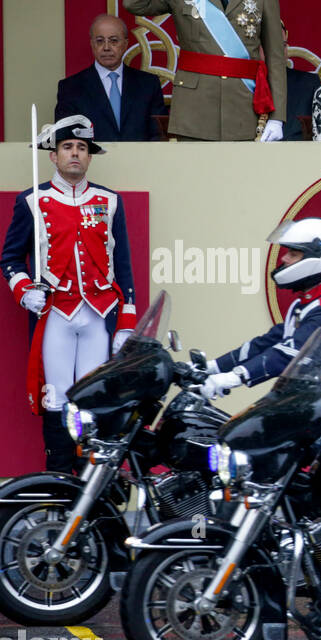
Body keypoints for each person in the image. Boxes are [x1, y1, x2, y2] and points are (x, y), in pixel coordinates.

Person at [1, 117, 136, 472]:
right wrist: (24, 289)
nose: (74, 154)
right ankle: (59, 479)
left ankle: (94, 481)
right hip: (55, 313)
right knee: (57, 396)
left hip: (98, 313)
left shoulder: (109, 201)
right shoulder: (33, 200)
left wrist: (126, 323)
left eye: (81, 148)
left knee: (94, 398)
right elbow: (11, 258)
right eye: (67, 147)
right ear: (53, 155)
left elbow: (123, 265)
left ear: (90, 156)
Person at [199, 218, 321, 402]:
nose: (284, 258)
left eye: (293, 254)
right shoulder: (306, 305)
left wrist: (234, 377)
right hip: (311, 406)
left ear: (318, 259)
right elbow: (265, 344)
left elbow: (288, 353)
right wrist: (211, 367)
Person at [122, 0, 286, 142]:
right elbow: (133, 4)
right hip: (194, 111)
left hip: (244, 110)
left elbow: (275, 58)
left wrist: (277, 118)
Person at [55, 14, 167, 142]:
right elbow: (65, 138)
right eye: (100, 41)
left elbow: (159, 136)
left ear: (125, 44)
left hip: (141, 160)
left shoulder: (148, 84)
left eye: (113, 40)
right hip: (95, 161)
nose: (106, 47)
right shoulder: (70, 87)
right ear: (92, 44)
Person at [281, 19, 321, 141]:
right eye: (272, 45)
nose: (278, 51)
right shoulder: (242, 84)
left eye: (283, 45)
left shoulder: (309, 84)